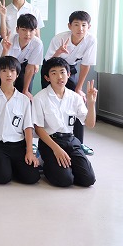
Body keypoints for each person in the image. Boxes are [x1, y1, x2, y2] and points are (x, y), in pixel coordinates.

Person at [32, 57, 97, 187]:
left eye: (62, 72)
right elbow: (38, 128)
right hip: (50, 142)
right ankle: (45, 162)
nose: (59, 77)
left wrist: (91, 104)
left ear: (68, 74)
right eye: (54, 73)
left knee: (88, 180)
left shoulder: (75, 97)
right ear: (47, 78)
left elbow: (90, 124)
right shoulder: (40, 98)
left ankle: (66, 165)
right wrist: (56, 149)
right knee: (65, 180)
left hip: (70, 140)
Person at [0, 56, 40, 185]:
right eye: (4, 71)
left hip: (18, 145)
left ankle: (10, 165)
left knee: (32, 177)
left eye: (12, 71)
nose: (9, 74)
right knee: (2, 178)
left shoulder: (24, 100)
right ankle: (0, 165)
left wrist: (29, 151)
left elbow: (28, 127)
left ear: (17, 74)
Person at [42, 11, 97, 155]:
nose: (80, 29)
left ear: (89, 27)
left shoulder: (91, 40)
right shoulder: (59, 39)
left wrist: (79, 88)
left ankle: (79, 143)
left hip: (69, 69)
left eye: (84, 25)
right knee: (50, 102)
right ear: (69, 26)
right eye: (76, 25)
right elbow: (49, 62)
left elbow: (85, 65)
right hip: (51, 68)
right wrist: (59, 52)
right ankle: (47, 141)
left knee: (77, 100)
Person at [0, 13, 43, 99]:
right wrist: (5, 50)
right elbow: (0, 65)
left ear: (35, 31)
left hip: (24, 66)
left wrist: (25, 90)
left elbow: (30, 68)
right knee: (2, 92)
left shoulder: (37, 43)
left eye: (31, 30)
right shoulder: (8, 40)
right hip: (6, 66)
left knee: (24, 93)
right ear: (17, 30)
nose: (27, 34)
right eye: (24, 30)